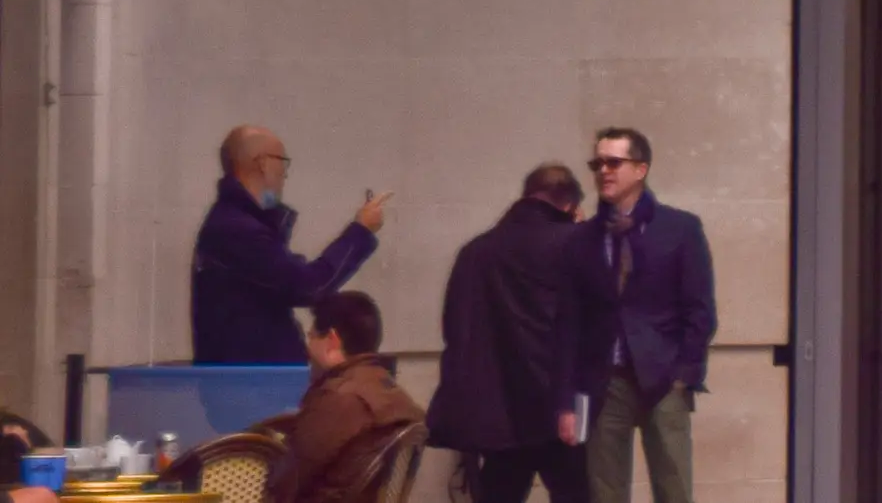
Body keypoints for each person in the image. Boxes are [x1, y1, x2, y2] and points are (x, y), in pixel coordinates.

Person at [563, 128, 714, 503]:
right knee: (605, 490)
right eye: (597, 163)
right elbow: (569, 320)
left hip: (663, 378)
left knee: (673, 486)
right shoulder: (583, 238)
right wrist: (568, 395)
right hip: (603, 381)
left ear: (641, 169)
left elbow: (699, 309)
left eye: (614, 162)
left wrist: (684, 373)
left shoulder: (680, 228)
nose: (603, 171)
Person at [430, 166, 591, 503]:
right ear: (569, 204)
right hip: (559, 410)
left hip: (496, 415)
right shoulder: (574, 245)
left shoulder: (475, 252)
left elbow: (456, 329)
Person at [193, 127, 389, 365]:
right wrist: (361, 231)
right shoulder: (238, 230)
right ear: (263, 163)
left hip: (250, 383)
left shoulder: (236, 223)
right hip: (250, 388)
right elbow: (308, 285)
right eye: (283, 163)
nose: (285, 175)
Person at [262, 290, 422, 503]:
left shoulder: (339, 399)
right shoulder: (392, 392)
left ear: (332, 340)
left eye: (311, 337)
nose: (308, 349)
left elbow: (287, 483)